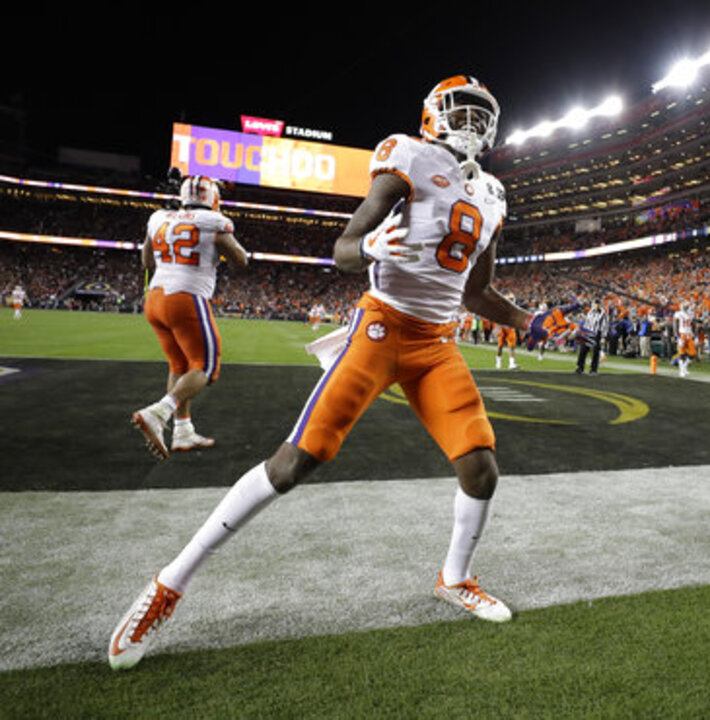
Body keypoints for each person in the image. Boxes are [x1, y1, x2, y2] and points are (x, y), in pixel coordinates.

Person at [109, 75, 551, 671]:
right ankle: (168, 585)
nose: (471, 124)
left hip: (437, 344)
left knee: (480, 466)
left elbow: (477, 293)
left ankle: (455, 577)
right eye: (460, 111)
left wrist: (531, 321)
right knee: (294, 463)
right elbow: (344, 249)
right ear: (431, 116)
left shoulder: (493, 193)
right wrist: (372, 249)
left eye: (480, 115)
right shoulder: (408, 155)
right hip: (381, 329)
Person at [131, 176, 249, 459]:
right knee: (205, 368)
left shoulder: (158, 217)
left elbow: (147, 262)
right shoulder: (214, 222)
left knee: (179, 364)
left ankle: (183, 431)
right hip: (186, 298)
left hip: (155, 297)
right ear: (213, 198)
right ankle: (159, 412)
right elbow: (241, 261)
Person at [576, 298, 609, 374]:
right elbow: (587, 323)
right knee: (583, 351)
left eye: (598, 303)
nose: (596, 305)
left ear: (600, 305)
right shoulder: (590, 312)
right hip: (587, 333)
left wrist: (603, 337)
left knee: (595, 352)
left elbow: (605, 326)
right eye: (595, 303)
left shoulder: (603, 314)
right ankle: (580, 367)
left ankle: (593, 369)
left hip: (596, 334)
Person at [673, 302, 696, 377]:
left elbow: (693, 324)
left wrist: (694, 334)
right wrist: (677, 336)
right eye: (685, 306)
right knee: (682, 353)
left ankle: (685, 366)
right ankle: (681, 370)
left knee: (692, 353)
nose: (686, 307)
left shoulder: (691, 313)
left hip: (689, 334)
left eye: (687, 306)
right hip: (682, 334)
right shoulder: (678, 313)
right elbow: (675, 324)